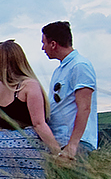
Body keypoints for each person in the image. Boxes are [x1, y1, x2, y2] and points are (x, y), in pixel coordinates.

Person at [0, 40, 63, 179]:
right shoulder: (29, 85)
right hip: (26, 146)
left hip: (1, 146)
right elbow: (38, 124)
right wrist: (58, 152)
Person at [41, 21, 98, 162]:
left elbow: (84, 107)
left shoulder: (80, 66)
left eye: (44, 43)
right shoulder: (60, 70)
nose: (43, 48)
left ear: (53, 44)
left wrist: (73, 144)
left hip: (76, 144)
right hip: (61, 143)